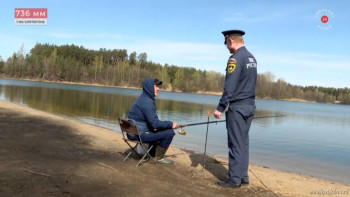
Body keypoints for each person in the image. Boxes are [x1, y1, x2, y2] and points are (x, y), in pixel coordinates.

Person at [214, 30, 257, 188]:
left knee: (235, 144)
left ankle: (234, 179)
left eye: (226, 43)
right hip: (250, 106)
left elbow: (230, 87)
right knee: (243, 143)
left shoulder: (235, 59)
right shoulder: (251, 58)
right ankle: (243, 176)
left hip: (238, 107)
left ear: (230, 40)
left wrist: (220, 107)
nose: (226, 47)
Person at [127, 78, 179, 165]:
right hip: (139, 135)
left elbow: (152, 123)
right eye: (156, 86)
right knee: (169, 133)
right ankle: (159, 158)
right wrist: (171, 124)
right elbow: (155, 123)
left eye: (158, 86)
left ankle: (151, 153)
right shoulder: (147, 102)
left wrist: (163, 126)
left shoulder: (143, 98)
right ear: (149, 87)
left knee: (156, 130)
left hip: (131, 132)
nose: (158, 88)